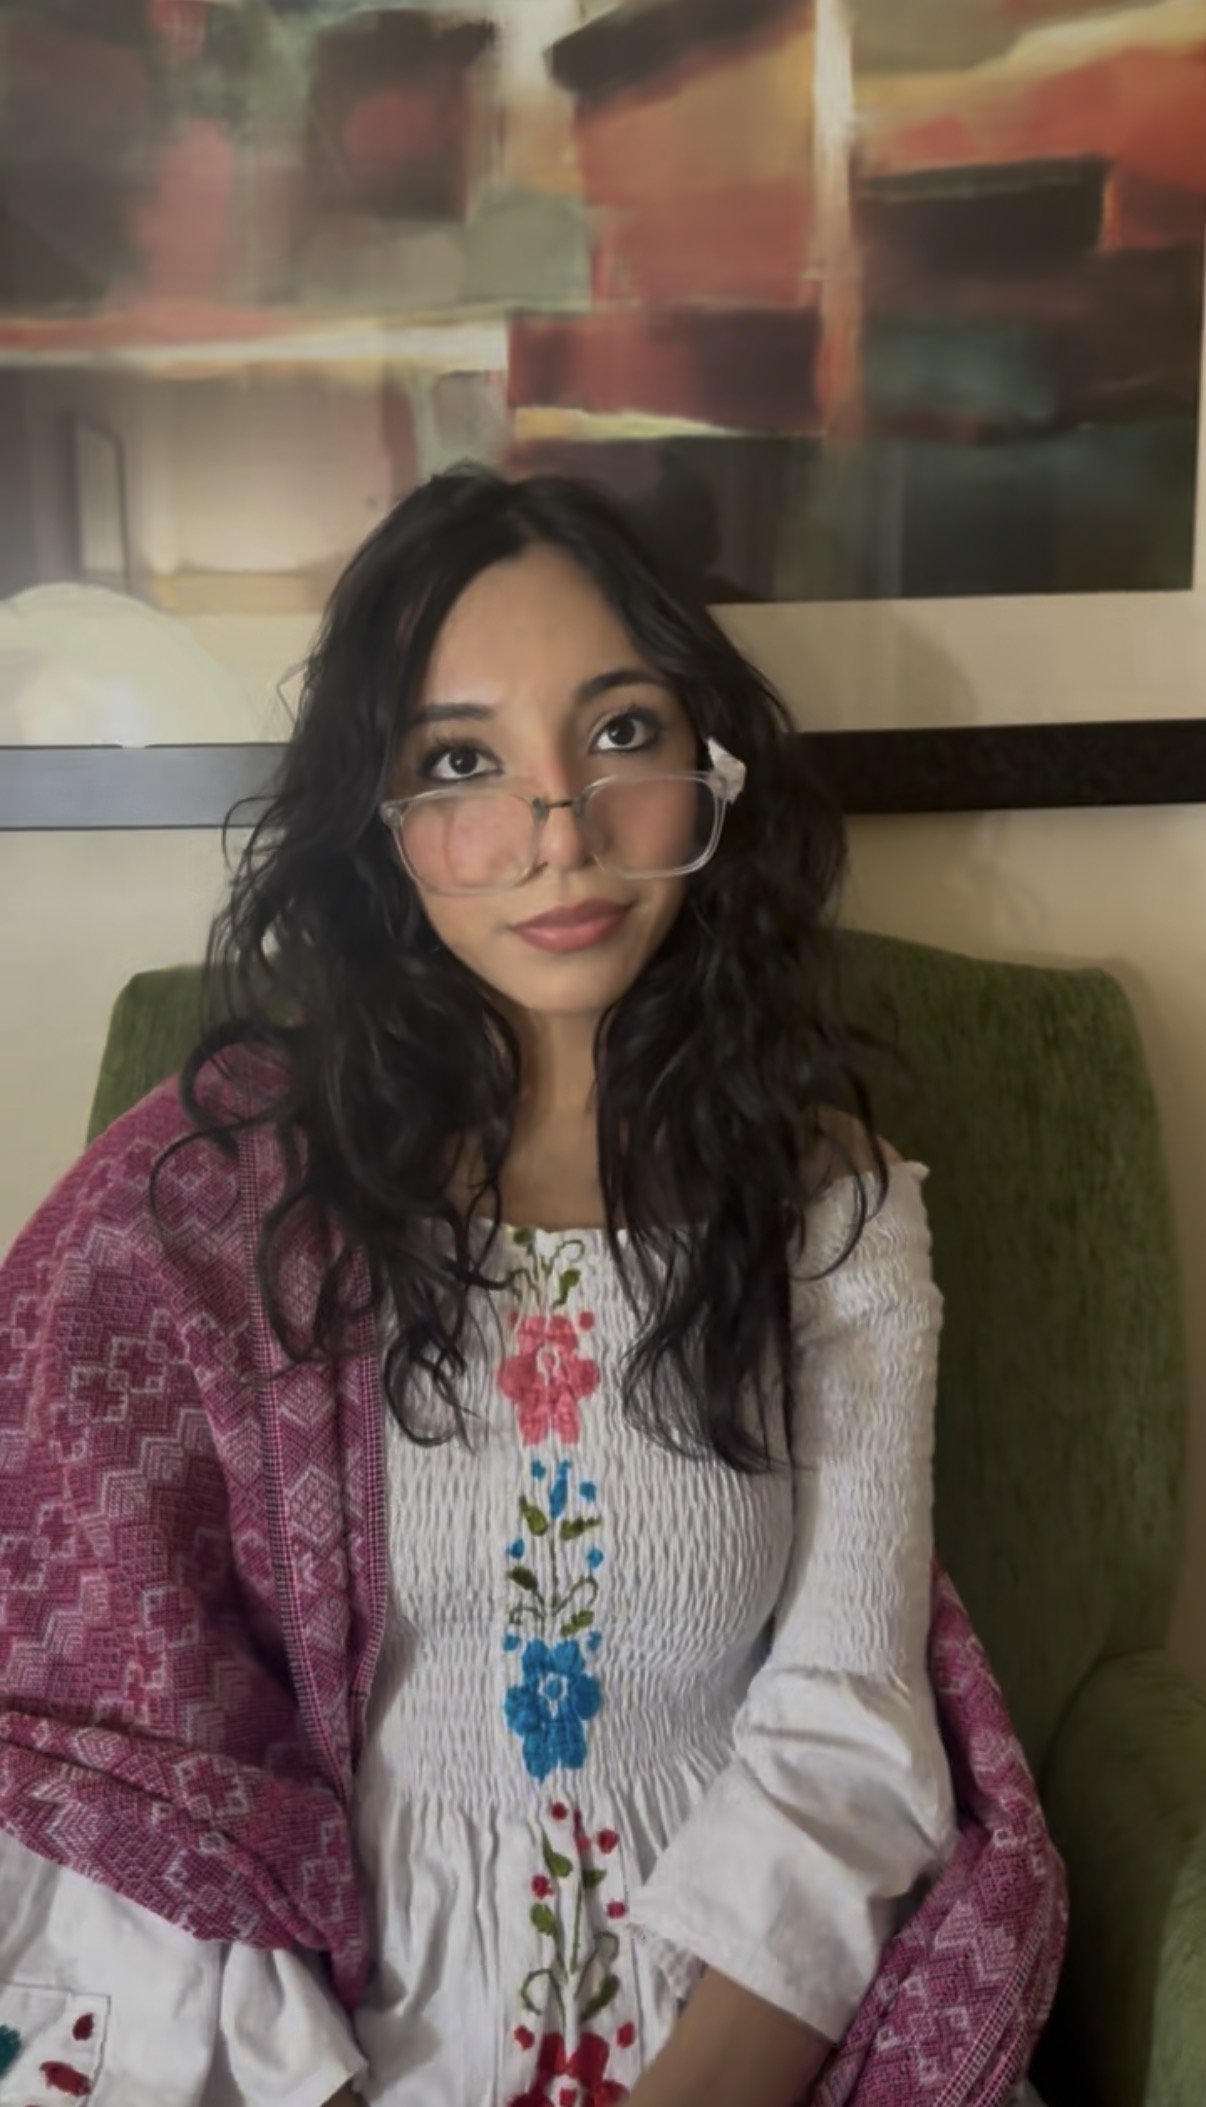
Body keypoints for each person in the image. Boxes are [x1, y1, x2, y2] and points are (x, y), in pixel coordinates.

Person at [0, 468, 960, 2107]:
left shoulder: (832, 1211)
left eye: (619, 735)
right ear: (377, 823)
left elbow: (850, 1727)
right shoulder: (217, 1201)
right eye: (461, 762)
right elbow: (130, 1737)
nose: (557, 833)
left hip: (735, 2018)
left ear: (710, 765)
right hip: (306, 2033)